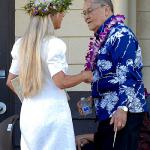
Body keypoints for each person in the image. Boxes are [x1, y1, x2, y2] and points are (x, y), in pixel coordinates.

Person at [6, 0, 93, 150]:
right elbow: (60, 81)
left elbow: (10, 81)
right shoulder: (54, 44)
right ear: (51, 16)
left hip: (30, 114)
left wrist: (31, 96)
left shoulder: (21, 44)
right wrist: (84, 75)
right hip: (53, 115)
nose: (63, 15)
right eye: (61, 12)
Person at [77, 0, 147, 150]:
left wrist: (123, 108)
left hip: (122, 113)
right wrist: (91, 99)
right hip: (108, 113)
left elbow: (127, 73)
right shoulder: (103, 38)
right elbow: (109, 78)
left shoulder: (121, 34)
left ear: (106, 10)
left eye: (89, 11)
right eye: (84, 13)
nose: (86, 17)